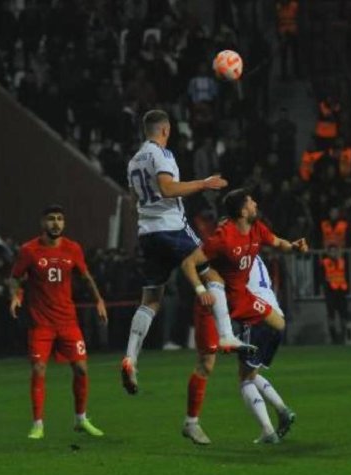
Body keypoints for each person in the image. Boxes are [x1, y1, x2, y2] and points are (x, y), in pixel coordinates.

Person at [181, 191, 308, 443]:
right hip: (223, 303)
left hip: (245, 301)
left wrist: (293, 246)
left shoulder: (257, 229)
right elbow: (189, 263)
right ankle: (272, 424)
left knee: (277, 328)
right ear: (242, 211)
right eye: (251, 201)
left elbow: (278, 241)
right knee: (221, 367)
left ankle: (275, 421)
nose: (256, 203)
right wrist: (199, 289)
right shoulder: (223, 238)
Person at [121, 109, 229, 395]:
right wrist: (204, 183)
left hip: (147, 233)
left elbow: (133, 204)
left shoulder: (133, 162)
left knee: (151, 299)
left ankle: (131, 357)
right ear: (165, 130)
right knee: (213, 274)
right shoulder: (162, 155)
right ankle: (229, 337)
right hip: (172, 228)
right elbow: (168, 189)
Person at [10, 205, 108, 440]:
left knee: (82, 369)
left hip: (67, 322)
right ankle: (37, 424)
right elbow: (15, 277)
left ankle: (81, 419)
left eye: (60, 219)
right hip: (41, 323)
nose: (56, 223)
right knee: (38, 369)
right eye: (51, 219)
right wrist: (15, 295)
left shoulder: (73, 249)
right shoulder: (29, 250)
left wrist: (99, 301)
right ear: (42, 223)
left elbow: (86, 277)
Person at [182, 254, 295, 445]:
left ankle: (268, 430)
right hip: (275, 316)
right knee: (251, 373)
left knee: (245, 380)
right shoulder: (254, 255)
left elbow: (221, 286)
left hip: (257, 318)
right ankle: (283, 410)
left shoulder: (233, 255)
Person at [320, 244, 348, 344]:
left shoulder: (342, 261)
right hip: (330, 291)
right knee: (331, 315)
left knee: (343, 314)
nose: (334, 253)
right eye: (331, 251)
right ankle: (334, 337)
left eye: (335, 251)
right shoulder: (325, 262)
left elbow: (346, 275)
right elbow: (321, 276)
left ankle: (343, 336)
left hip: (341, 290)